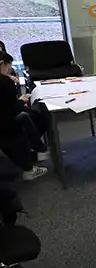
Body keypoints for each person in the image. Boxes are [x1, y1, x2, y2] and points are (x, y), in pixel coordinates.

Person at [0, 51, 48, 181]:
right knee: (26, 117)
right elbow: (12, 110)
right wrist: (21, 101)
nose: (9, 71)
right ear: (2, 64)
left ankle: (38, 150)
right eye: (8, 68)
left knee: (26, 117)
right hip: (5, 123)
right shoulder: (4, 82)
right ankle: (29, 168)